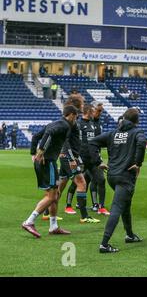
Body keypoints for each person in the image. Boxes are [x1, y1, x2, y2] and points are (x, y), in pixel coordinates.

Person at [89, 108, 147, 253]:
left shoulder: (113, 133)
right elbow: (142, 142)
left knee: (125, 205)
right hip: (125, 177)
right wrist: (138, 163)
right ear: (136, 121)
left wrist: (98, 162)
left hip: (112, 176)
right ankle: (104, 244)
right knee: (117, 207)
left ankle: (129, 235)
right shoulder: (137, 133)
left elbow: (92, 143)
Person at [22, 105, 79, 238]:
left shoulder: (55, 123)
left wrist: (33, 154)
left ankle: (53, 227)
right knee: (52, 196)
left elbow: (36, 136)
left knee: (56, 193)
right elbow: (49, 134)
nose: (76, 120)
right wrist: (40, 152)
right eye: (76, 117)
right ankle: (29, 221)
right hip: (48, 163)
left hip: (47, 162)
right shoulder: (64, 125)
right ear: (71, 115)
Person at [56, 95, 100, 224]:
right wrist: (71, 157)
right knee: (82, 183)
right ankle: (84, 216)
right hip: (68, 157)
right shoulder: (70, 120)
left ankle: (48, 212)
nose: (84, 105)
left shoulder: (71, 119)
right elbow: (66, 140)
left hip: (66, 156)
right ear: (78, 105)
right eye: (82, 103)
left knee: (61, 185)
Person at [64, 104, 110, 216]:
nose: (94, 113)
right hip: (81, 158)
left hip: (93, 159)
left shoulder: (93, 123)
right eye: (93, 111)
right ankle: (68, 206)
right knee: (77, 182)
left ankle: (101, 207)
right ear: (88, 112)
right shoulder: (77, 124)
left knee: (101, 180)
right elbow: (70, 140)